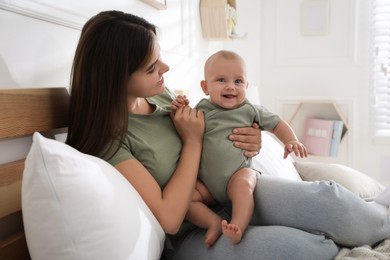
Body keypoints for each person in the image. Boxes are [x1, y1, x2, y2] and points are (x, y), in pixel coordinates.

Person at [66, 10, 390, 260]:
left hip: (236, 189)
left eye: (159, 57)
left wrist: (251, 138)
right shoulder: (111, 140)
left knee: (330, 201)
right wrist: (192, 142)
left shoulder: (161, 97)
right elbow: (169, 218)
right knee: (300, 249)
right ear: (115, 77)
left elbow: (220, 124)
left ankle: (382, 219)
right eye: (151, 67)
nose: (164, 68)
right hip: (196, 231)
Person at [171, 50, 308, 247]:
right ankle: (214, 222)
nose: (230, 87)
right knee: (185, 199)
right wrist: (178, 108)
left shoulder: (249, 110)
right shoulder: (202, 109)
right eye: (221, 80)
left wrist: (291, 141)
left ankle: (238, 225)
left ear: (246, 85)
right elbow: (183, 123)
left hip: (237, 174)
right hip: (207, 184)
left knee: (244, 186)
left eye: (238, 81)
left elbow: (277, 124)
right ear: (205, 87)